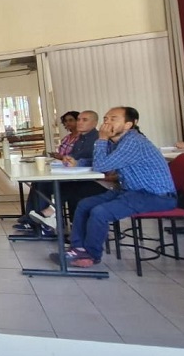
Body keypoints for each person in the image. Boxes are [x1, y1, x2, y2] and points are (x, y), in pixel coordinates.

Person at [58, 107, 176, 268]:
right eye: (106, 119)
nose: (107, 123)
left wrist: (101, 139)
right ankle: (78, 248)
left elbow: (101, 166)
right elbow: (100, 160)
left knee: (100, 212)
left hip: (156, 196)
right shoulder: (116, 142)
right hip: (130, 191)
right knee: (85, 204)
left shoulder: (133, 142)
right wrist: (78, 162)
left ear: (128, 125)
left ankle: (91, 255)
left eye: (113, 119)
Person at [15, 111, 100, 234]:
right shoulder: (80, 139)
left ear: (95, 122)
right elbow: (73, 156)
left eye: (84, 120)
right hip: (74, 174)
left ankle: (44, 221)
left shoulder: (97, 139)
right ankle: (35, 220)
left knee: (44, 185)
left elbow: (96, 161)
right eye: (79, 119)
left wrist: (76, 162)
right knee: (38, 182)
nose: (80, 122)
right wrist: (67, 159)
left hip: (87, 179)